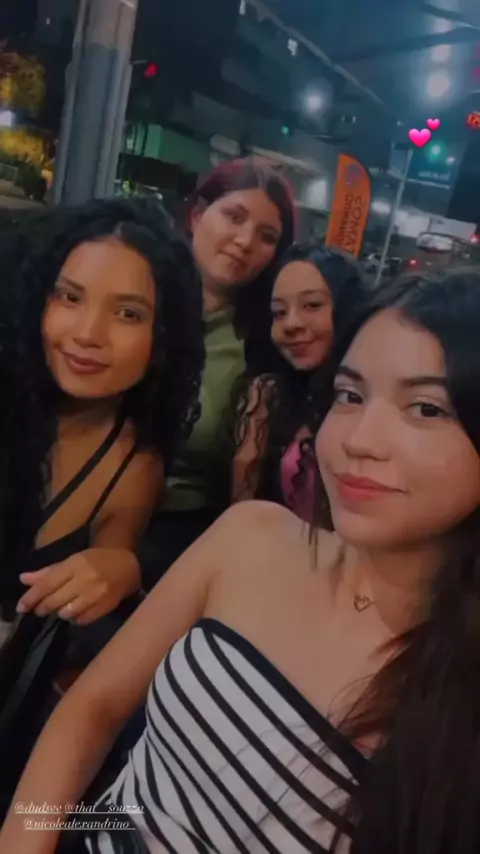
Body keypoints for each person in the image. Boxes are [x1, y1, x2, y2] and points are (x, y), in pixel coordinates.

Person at [3, 266, 480, 854]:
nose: (359, 439)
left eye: (426, 408)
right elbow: (94, 711)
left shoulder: (458, 687)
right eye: (350, 396)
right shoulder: (252, 536)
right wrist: (26, 835)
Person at [0, 197, 204, 805]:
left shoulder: (132, 467)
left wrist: (123, 566)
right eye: (69, 297)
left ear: (161, 338)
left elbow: (106, 582)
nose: (88, 334)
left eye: (128, 313)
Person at [140, 157, 295, 586]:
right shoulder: (130, 296)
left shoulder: (264, 347)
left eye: (267, 236)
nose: (245, 241)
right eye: (234, 217)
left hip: (174, 541)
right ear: (196, 215)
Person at [231, 243, 366, 521]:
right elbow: (242, 512)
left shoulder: (373, 402)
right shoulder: (271, 396)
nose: (291, 324)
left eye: (312, 305)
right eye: (279, 312)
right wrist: (252, 444)